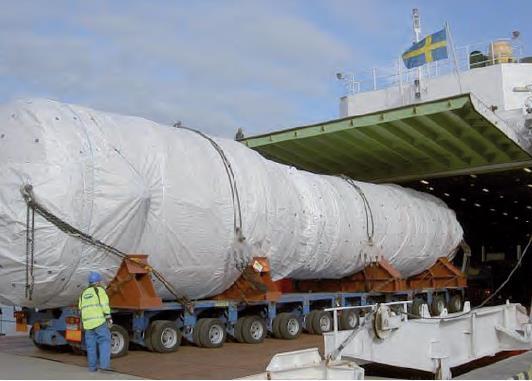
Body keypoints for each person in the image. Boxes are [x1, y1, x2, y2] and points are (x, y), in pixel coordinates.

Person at [78, 271, 112, 372]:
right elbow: (104, 305)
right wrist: (108, 317)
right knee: (104, 342)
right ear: (98, 282)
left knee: (91, 346)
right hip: (99, 322)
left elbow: (80, 308)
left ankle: (92, 368)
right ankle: (104, 366)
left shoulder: (83, 293)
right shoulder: (99, 291)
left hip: (88, 324)